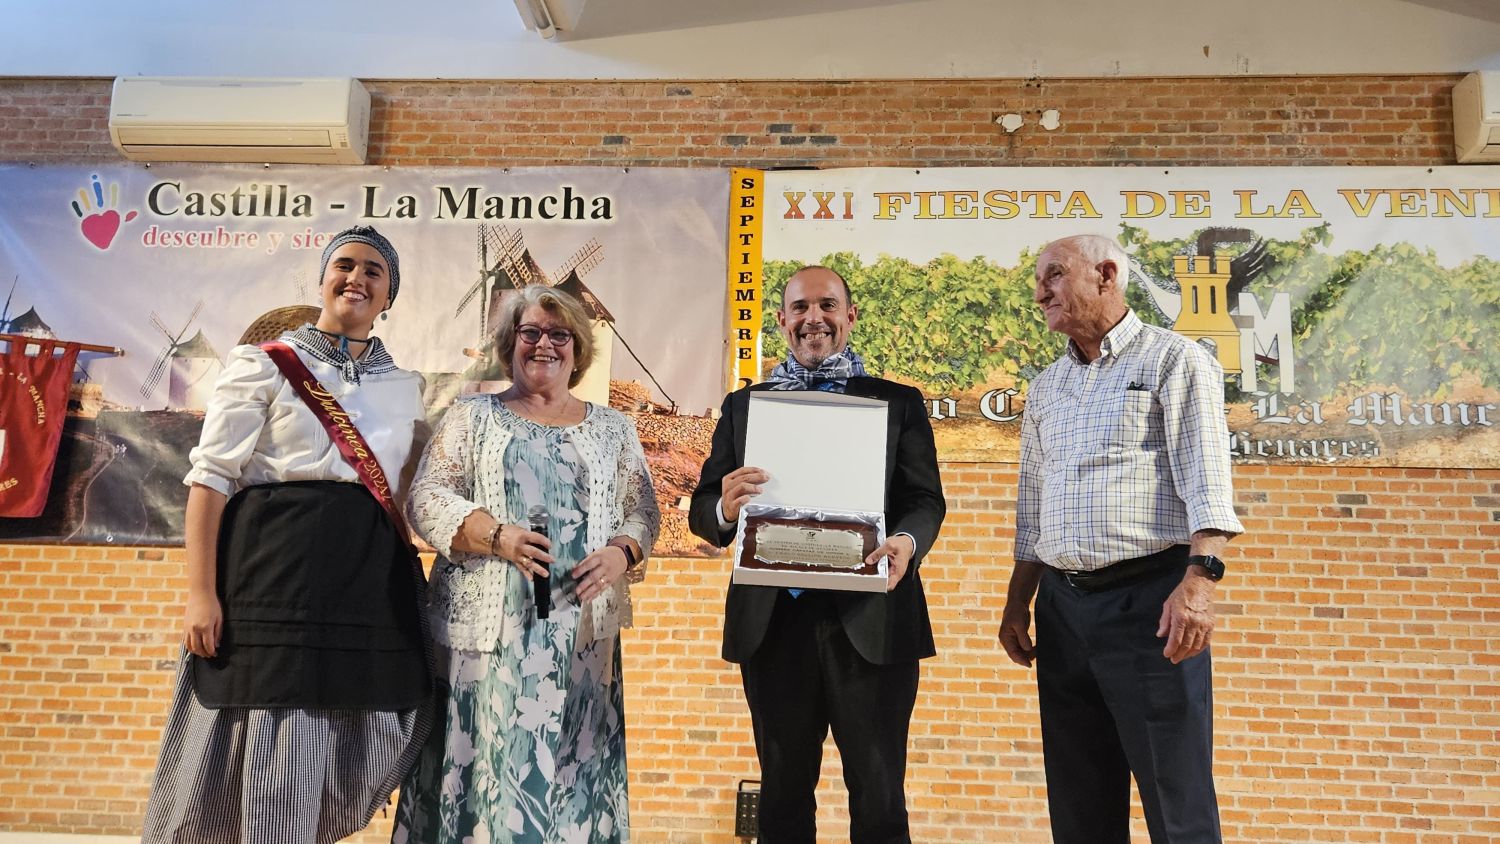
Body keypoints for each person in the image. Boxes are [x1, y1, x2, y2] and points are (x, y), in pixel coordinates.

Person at [142, 226, 431, 843]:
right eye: (344, 264)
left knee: (368, 723)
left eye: (373, 271)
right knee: (268, 719)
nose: (356, 277)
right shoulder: (264, 364)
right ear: (323, 279)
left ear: (390, 295)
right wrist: (200, 593)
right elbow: (210, 481)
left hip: (363, 575)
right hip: (270, 569)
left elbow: (402, 495)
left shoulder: (405, 386)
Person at [997, 234, 1245, 844]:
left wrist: (1197, 586)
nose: (1040, 293)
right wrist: (1016, 601)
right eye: (1038, 280)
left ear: (1106, 274)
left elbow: (1209, 486)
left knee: (1176, 803)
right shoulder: (1047, 387)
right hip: (1061, 610)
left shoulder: (1175, 361)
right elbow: (1032, 508)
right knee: (1080, 807)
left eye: (1054, 275)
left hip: (1151, 607)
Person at [393, 284, 660, 843]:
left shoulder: (614, 429)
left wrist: (620, 552)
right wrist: (498, 537)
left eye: (558, 334)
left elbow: (643, 513)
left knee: (572, 775)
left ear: (578, 348)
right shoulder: (472, 418)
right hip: (488, 639)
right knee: (488, 770)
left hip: (580, 640)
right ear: (509, 343)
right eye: (530, 332)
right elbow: (426, 498)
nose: (544, 344)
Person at [689, 265, 946, 844]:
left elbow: (925, 499)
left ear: (850, 316)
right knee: (782, 796)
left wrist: (906, 543)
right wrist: (726, 507)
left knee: (880, 799)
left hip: (873, 623)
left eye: (828, 305)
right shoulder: (744, 407)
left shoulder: (897, 404)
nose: (814, 319)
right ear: (781, 320)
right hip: (775, 625)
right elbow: (704, 512)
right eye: (800, 307)